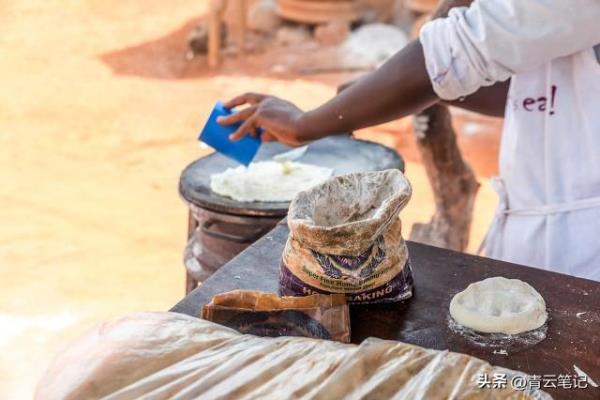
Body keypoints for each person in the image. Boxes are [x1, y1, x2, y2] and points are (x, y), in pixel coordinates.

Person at [217, 0, 600, 282]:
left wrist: (305, 124)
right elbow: (534, 91)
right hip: (545, 236)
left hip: (581, 254)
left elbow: (460, 49)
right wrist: (368, 99)